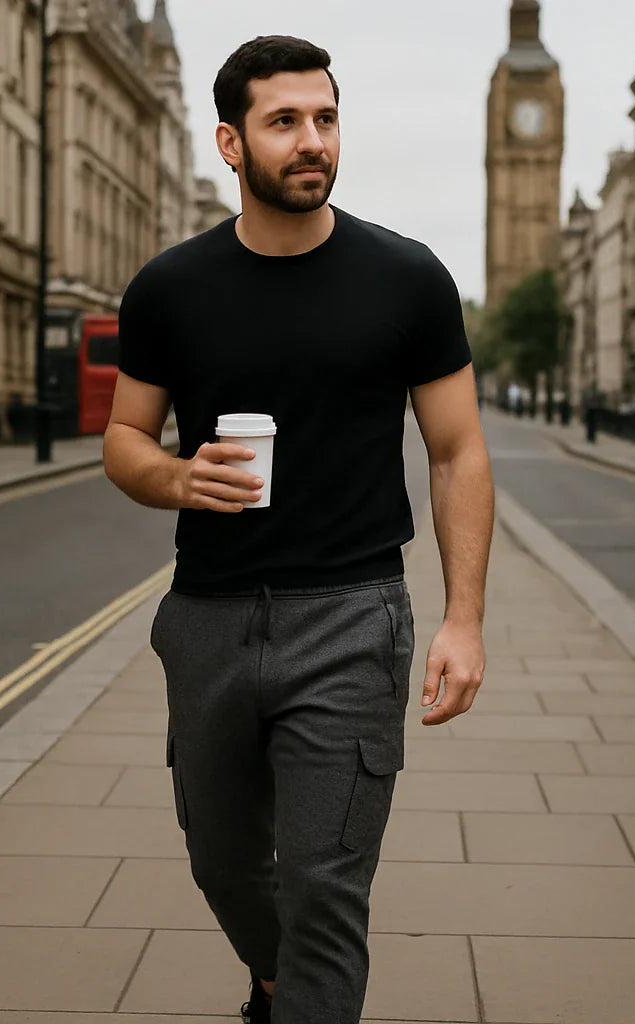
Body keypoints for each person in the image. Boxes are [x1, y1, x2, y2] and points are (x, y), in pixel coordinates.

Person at [102, 34, 494, 1024]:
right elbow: (123, 440)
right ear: (233, 145)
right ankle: (278, 988)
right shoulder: (170, 289)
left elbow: (457, 453)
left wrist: (464, 621)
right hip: (209, 619)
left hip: (354, 617)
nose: (311, 140)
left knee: (325, 881)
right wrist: (179, 476)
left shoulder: (406, 280)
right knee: (223, 861)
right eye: (285, 122)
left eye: (325, 118)